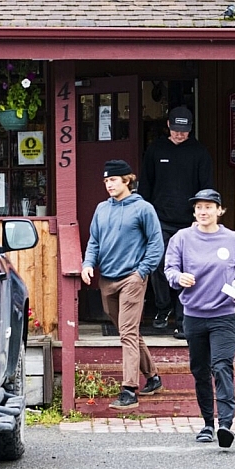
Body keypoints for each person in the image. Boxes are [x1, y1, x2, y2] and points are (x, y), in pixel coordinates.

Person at [164, 189, 235, 448]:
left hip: (224, 315)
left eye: (209, 207)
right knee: (200, 371)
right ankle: (207, 424)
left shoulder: (233, 239)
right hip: (193, 316)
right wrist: (178, 278)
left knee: (222, 367)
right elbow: (169, 268)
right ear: (194, 212)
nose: (203, 212)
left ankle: (225, 424)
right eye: (199, 207)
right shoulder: (181, 238)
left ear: (219, 210)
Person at [81, 160, 165, 410]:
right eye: (106, 181)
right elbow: (94, 241)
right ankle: (154, 377)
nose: (109, 184)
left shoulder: (144, 209)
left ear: (127, 180)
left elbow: (156, 244)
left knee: (127, 333)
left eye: (113, 180)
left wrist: (142, 272)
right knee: (129, 332)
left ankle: (129, 390)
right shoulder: (101, 209)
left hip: (133, 278)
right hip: (107, 278)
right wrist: (88, 264)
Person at [140, 105, 214, 336]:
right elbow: (145, 186)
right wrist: (144, 217)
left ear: (190, 129)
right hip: (159, 218)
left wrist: (201, 219)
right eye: (176, 129)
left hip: (189, 221)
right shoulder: (155, 150)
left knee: (188, 268)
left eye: (185, 130)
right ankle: (163, 308)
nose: (180, 134)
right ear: (168, 126)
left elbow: (207, 189)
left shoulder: (200, 152)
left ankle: (183, 318)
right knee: (159, 264)